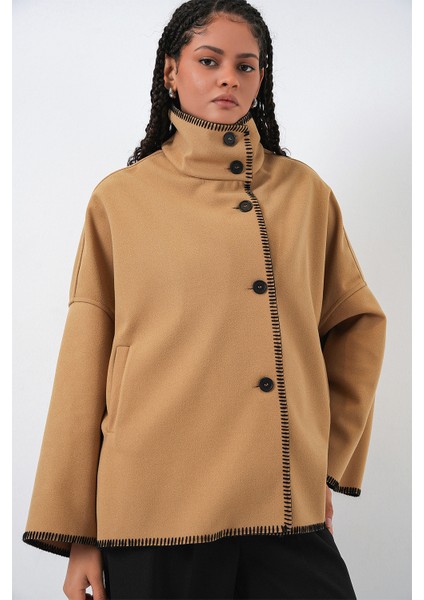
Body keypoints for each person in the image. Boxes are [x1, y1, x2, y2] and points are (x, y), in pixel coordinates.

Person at [22, 0, 387, 598]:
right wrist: (80, 534)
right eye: (209, 61)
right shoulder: (121, 199)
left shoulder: (303, 193)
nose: (229, 79)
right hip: (153, 510)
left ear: (261, 79)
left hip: (280, 503)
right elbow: (83, 365)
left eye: (246, 66)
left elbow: (356, 322)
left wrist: (320, 463)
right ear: (172, 71)